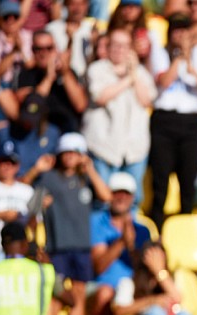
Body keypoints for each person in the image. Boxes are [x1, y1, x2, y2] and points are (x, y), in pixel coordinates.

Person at [28, 132, 113, 315]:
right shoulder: (48, 178)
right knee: (56, 293)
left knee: (79, 291)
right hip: (57, 245)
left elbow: (107, 197)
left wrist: (90, 169)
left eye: (74, 153)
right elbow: (32, 207)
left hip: (81, 246)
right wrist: (41, 203)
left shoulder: (86, 179)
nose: (69, 156)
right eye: (66, 152)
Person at [147, 11, 197, 224]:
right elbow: (164, 82)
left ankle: (184, 226)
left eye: (183, 30)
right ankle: (157, 227)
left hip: (190, 121)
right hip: (164, 120)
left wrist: (190, 64)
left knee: (188, 181)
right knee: (160, 180)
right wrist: (178, 58)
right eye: (176, 30)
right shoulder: (160, 53)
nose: (179, 35)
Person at [82, 27, 158, 205]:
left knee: (133, 201)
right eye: (115, 45)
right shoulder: (97, 69)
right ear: (107, 47)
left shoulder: (140, 73)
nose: (119, 49)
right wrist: (128, 80)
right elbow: (100, 97)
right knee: (102, 201)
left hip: (134, 149)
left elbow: (146, 100)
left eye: (124, 46)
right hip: (103, 146)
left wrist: (134, 75)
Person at [87, 172, 154, 315]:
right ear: (109, 195)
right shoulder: (95, 222)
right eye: (117, 193)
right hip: (102, 288)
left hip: (133, 290)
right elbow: (98, 267)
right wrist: (122, 242)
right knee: (105, 293)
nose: (121, 198)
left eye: (126, 193)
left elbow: (143, 269)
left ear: (133, 198)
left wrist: (131, 247)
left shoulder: (143, 230)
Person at [111, 240, 197, 315]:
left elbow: (177, 299)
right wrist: (152, 301)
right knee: (155, 312)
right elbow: (119, 311)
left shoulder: (171, 279)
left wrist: (159, 272)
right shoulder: (129, 282)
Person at [15, 29, 90, 135]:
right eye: (38, 49)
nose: (43, 53)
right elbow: (30, 105)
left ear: (55, 49)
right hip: (38, 133)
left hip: (67, 132)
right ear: (32, 50)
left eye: (48, 48)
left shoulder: (68, 72)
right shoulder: (25, 75)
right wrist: (49, 78)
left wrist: (65, 73)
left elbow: (80, 105)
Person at [0, 0, 35, 87]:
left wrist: (21, 50)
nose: (11, 20)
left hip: (25, 83)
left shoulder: (28, 36)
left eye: (15, 16)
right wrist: (14, 52)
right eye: (6, 17)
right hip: (2, 84)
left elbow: (31, 66)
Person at [46, 0, 100, 79]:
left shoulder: (92, 29)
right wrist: (70, 40)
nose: (77, 8)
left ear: (87, 6)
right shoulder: (52, 29)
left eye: (81, 4)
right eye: (73, 4)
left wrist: (95, 44)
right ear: (65, 5)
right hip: (59, 79)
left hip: (85, 80)